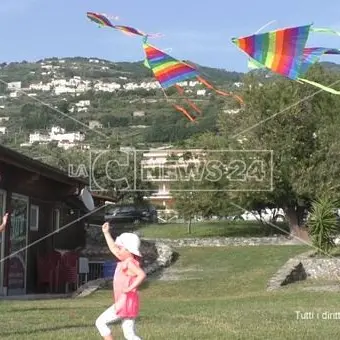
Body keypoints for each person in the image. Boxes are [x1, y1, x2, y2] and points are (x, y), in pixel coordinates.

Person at [95, 222, 146, 340]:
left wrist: (129, 288)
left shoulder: (129, 263)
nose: (117, 249)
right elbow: (113, 248)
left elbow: (141, 274)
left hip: (124, 303)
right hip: (129, 302)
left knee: (100, 322)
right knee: (129, 334)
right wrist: (106, 233)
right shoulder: (127, 260)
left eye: (120, 247)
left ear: (128, 250)